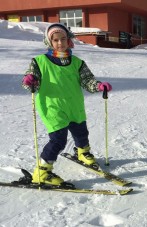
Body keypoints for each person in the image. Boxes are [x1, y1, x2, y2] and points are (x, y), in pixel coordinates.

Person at [22, 23, 112, 186]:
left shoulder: (77, 62)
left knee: (81, 132)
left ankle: (82, 152)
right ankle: (42, 171)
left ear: (68, 40)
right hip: (52, 108)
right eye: (55, 40)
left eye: (63, 38)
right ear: (49, 42)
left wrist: (98, 86)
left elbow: (87, 80)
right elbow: (30, 80)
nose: (60, 43)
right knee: (58, 140)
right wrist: (30, 81)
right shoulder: (39, 62)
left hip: (74, 105)